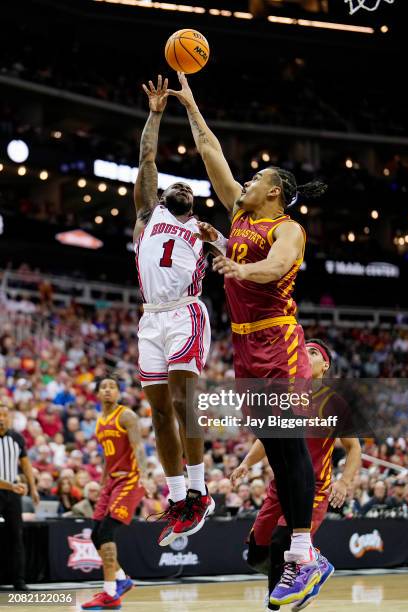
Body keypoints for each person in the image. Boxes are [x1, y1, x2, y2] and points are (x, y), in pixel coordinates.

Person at [168, 71, 327, 605]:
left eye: (256, 177)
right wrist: (190, 104)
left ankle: (305, 555)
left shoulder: (288, 228)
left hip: (279, 341)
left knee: (289, 445)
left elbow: (278, 266)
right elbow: (210, 149)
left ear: (274, 192)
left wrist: (239, 269)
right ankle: (300, 556)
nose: (246, 182)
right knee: (280, 456)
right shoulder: (239, 212)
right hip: (243, 344)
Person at [132, 75, 213, 548]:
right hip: (151, 318)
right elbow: (146, 158)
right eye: (172, 184)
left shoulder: (201, 230)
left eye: (187, 185)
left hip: (186, 313)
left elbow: (234, 256)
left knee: (187, 405)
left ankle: (201, 490)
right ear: (163, 196)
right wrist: (157, 112)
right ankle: (180, 496)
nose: (177, 186)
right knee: (161, 413)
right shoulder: (148, 215)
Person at [231, 340, 362, 611]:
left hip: (313, 488)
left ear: (325, 365)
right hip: (280, 486)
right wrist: (247, 462)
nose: (305, 354)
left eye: (313, 352)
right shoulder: (287, 397)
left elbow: (353, 448)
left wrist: (345, 481)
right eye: (304, 350)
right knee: (257, 552)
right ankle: (312, 566)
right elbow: (268, 438)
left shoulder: (335, 402)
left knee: (281, 541)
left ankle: (275, 603)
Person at [81, 377, 149, 611]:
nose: (108, 390)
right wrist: (102, 482)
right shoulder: (100, 422)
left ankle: (110, 593)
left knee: (107, 531)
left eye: (113, 387)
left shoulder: (127, 415)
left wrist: (145, 475)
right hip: (110, 481)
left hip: (129, 478)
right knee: (95, 535)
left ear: (118, 393)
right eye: (104, 387)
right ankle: (122, 578)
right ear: (98, 394)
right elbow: (107, 456)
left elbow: (138, 446)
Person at [0, 403, 40, 591]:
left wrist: (33, 489)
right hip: (11, 487)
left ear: (10, 418)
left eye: (4, 415)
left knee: (16, 536)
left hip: (13, 494)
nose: (1, 419)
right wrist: (13, 486)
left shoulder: (17, 438)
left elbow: (26, 465)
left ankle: (19, 580)